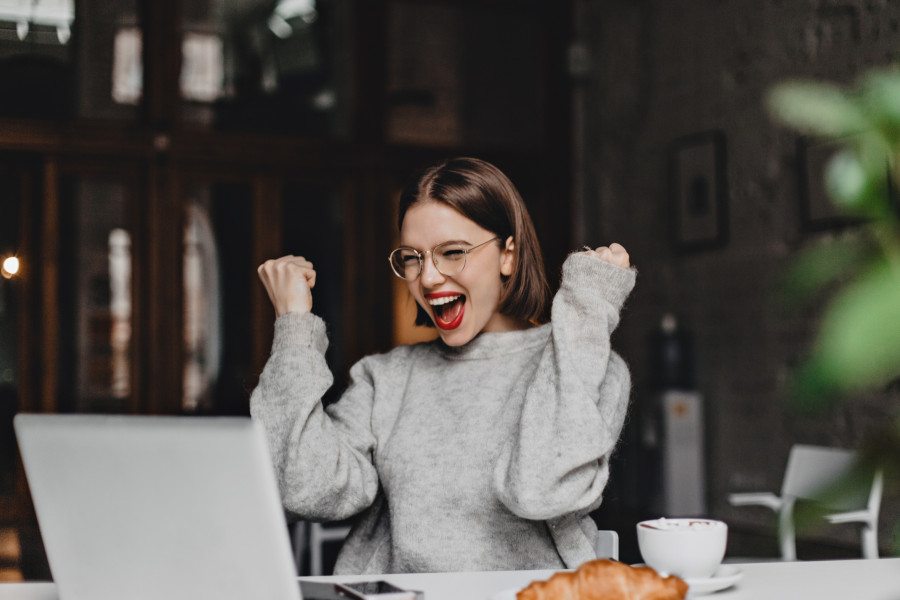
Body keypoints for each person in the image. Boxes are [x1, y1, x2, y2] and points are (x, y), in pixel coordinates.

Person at [251, 157, 636, 575]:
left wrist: (586, 309)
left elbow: (541, 490)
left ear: (509, 254)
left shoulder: (586, 363)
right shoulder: (386, 379)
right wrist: (293, 327)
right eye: (413, 258)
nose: (429, 278)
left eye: (452, 253)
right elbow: (307, 490)